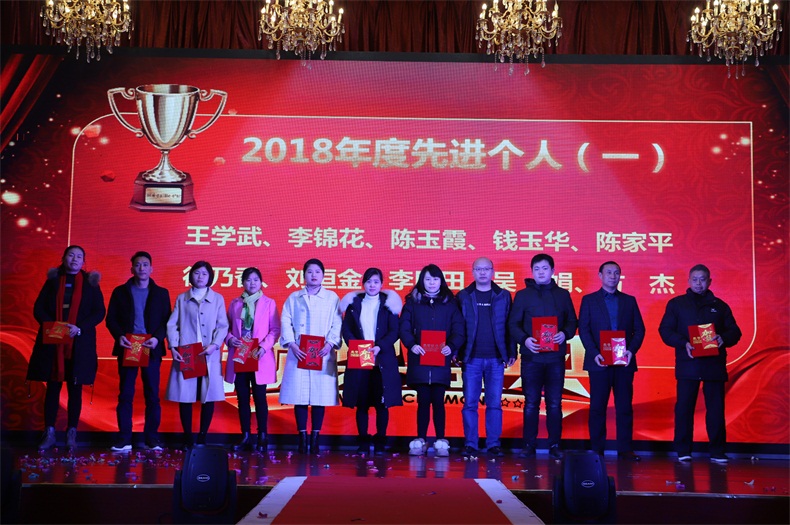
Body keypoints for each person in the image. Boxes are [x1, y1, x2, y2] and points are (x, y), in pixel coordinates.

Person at [658, 264, 741, 463]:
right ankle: (683, 450)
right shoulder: (677, 304)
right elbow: (665, 330)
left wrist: (723, 338)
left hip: (714, 365)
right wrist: (683, 343)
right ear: (688, 281)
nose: (698, 283)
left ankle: (717, 451)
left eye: (702, 279)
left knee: (716, 410)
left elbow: (735, 332)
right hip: (688, 364)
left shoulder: (720, 306)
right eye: (694, 279)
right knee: (684, 409)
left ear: (709, 281)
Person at [28, 245, 106, 450]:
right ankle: (49, 432)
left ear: (83, 262)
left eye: (79, 256)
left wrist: (79, 327)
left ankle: (72, 433)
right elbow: (39, 308)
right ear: (63, 258)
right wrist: (54, 327)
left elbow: (99, 311)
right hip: (54, 342)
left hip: (79, 343)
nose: (75, 259)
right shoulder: (53, 281)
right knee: (53, 388)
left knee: (75, 388)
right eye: (71, 255)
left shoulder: (91, 283)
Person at [508, 253, 577, 459]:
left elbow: (572, 322)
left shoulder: (562, 295)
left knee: (555, 403)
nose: (540, 272)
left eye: (545, 268)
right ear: (532, 272)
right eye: (536, 269)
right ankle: (528, 445)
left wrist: (564, 333)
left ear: (553, 271)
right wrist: (525, 339)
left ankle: (555, 445)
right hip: (532, 358)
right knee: (531, 403)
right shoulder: (522, 295)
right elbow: (513, 324)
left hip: (555, 358)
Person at [578, 261, 645, 461]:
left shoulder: (629, 301)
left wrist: (631, 351)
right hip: (599, 361)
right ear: (600, 275)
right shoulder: (589, 300)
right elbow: (584, 330)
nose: (613, 276)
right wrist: (594, 353)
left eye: (616, 273)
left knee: (624, 407)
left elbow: (639, 330)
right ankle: (597, 450)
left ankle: (625, 449)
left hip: (624, 362)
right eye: (608, 273)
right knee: (597, 407)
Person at [105, 251, 172, 452]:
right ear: (132, 269)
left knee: (152, 395)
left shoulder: (161, 293)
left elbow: (167, 320)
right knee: (126, 394)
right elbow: (111, 319)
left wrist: (157, 338)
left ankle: (152, 439)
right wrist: (119, 336)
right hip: (130, 346)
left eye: (145, 264)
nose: (141, 268)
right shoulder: (120, 292)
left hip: (150, 346)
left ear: (151, 269)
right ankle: (124, 438)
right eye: (137, 265)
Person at [399, 264, 465, 457]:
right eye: (428, 279)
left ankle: (441, 440)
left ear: (441, 281)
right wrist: (412, 344)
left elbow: (459, 330)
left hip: (440, 361)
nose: (431, 283)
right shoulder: (412, 303)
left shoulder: (450, 304)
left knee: (438, 401)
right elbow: (404, 327)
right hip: (419, 360)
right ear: (422, 280)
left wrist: (451, 346)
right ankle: (420, 439)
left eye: (435, 279)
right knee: (422, 401)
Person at [279, 259, 342, 454]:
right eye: (309, 272)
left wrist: (330, 343)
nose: (313, 275)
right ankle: (302, 439)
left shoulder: (331, 297)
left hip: (322, 352)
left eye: (317, 272)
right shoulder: (294, 297)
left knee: (318, 397)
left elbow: (337, 323)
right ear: (304, 275)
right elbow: (286, 320)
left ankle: (315, 439)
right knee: (299, 396)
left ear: (323, 275)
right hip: (299, 351)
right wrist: (292, 343)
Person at [339, 268, 404, 456]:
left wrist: (379, 346)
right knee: (362, 403)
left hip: (382, 359)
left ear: (382, 284)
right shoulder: (354, 304)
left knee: (382, 403)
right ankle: (363, 442)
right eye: (369, 282)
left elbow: (394, 331)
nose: (372, 285)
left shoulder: (389, 305)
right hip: (360, 358)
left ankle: (381, 441)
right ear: (363, 284)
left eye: (376, 282)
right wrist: (355, 345)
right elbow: (347, 329)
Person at [456, 257, 516, 458]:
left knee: (494, 404)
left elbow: (510, 326)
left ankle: (493, 444)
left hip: (496, 358)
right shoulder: (463, 296)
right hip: (471, 358)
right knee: (470, 404)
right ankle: (471, 443)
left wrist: (511, 351)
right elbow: (457, 327)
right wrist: (456, 352)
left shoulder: (503, 296)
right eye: (478, 269)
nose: (482, 272)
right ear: (472, 271)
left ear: (493, 271)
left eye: (486, 269)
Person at [165, 261, 228, 448]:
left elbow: (223, 325)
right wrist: (174, 347)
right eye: (197, 273)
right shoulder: (182, 298)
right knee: (185, 396)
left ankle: (202, 437)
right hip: (188, 352)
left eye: (204, 274)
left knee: (207, 396)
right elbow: (172, 325)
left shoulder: (217, 299)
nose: (200, 277)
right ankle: (187, 438)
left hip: (209, 353)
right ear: (191, 275)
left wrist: (215, 345)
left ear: (210, 277)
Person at [225, 267, 281, 453]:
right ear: (243, 282)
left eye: (256, 279)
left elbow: (275, 329)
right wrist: (229, 339)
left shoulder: (269, 303)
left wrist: (263, 347)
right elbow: (226, 327)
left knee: (260, 397)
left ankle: (262, 436)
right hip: (240, 355)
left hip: (259, 355)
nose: (252, 283)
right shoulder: (235, 303)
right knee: (242, 398)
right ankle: (245, 436)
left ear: (261, 282)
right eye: (248, 280)